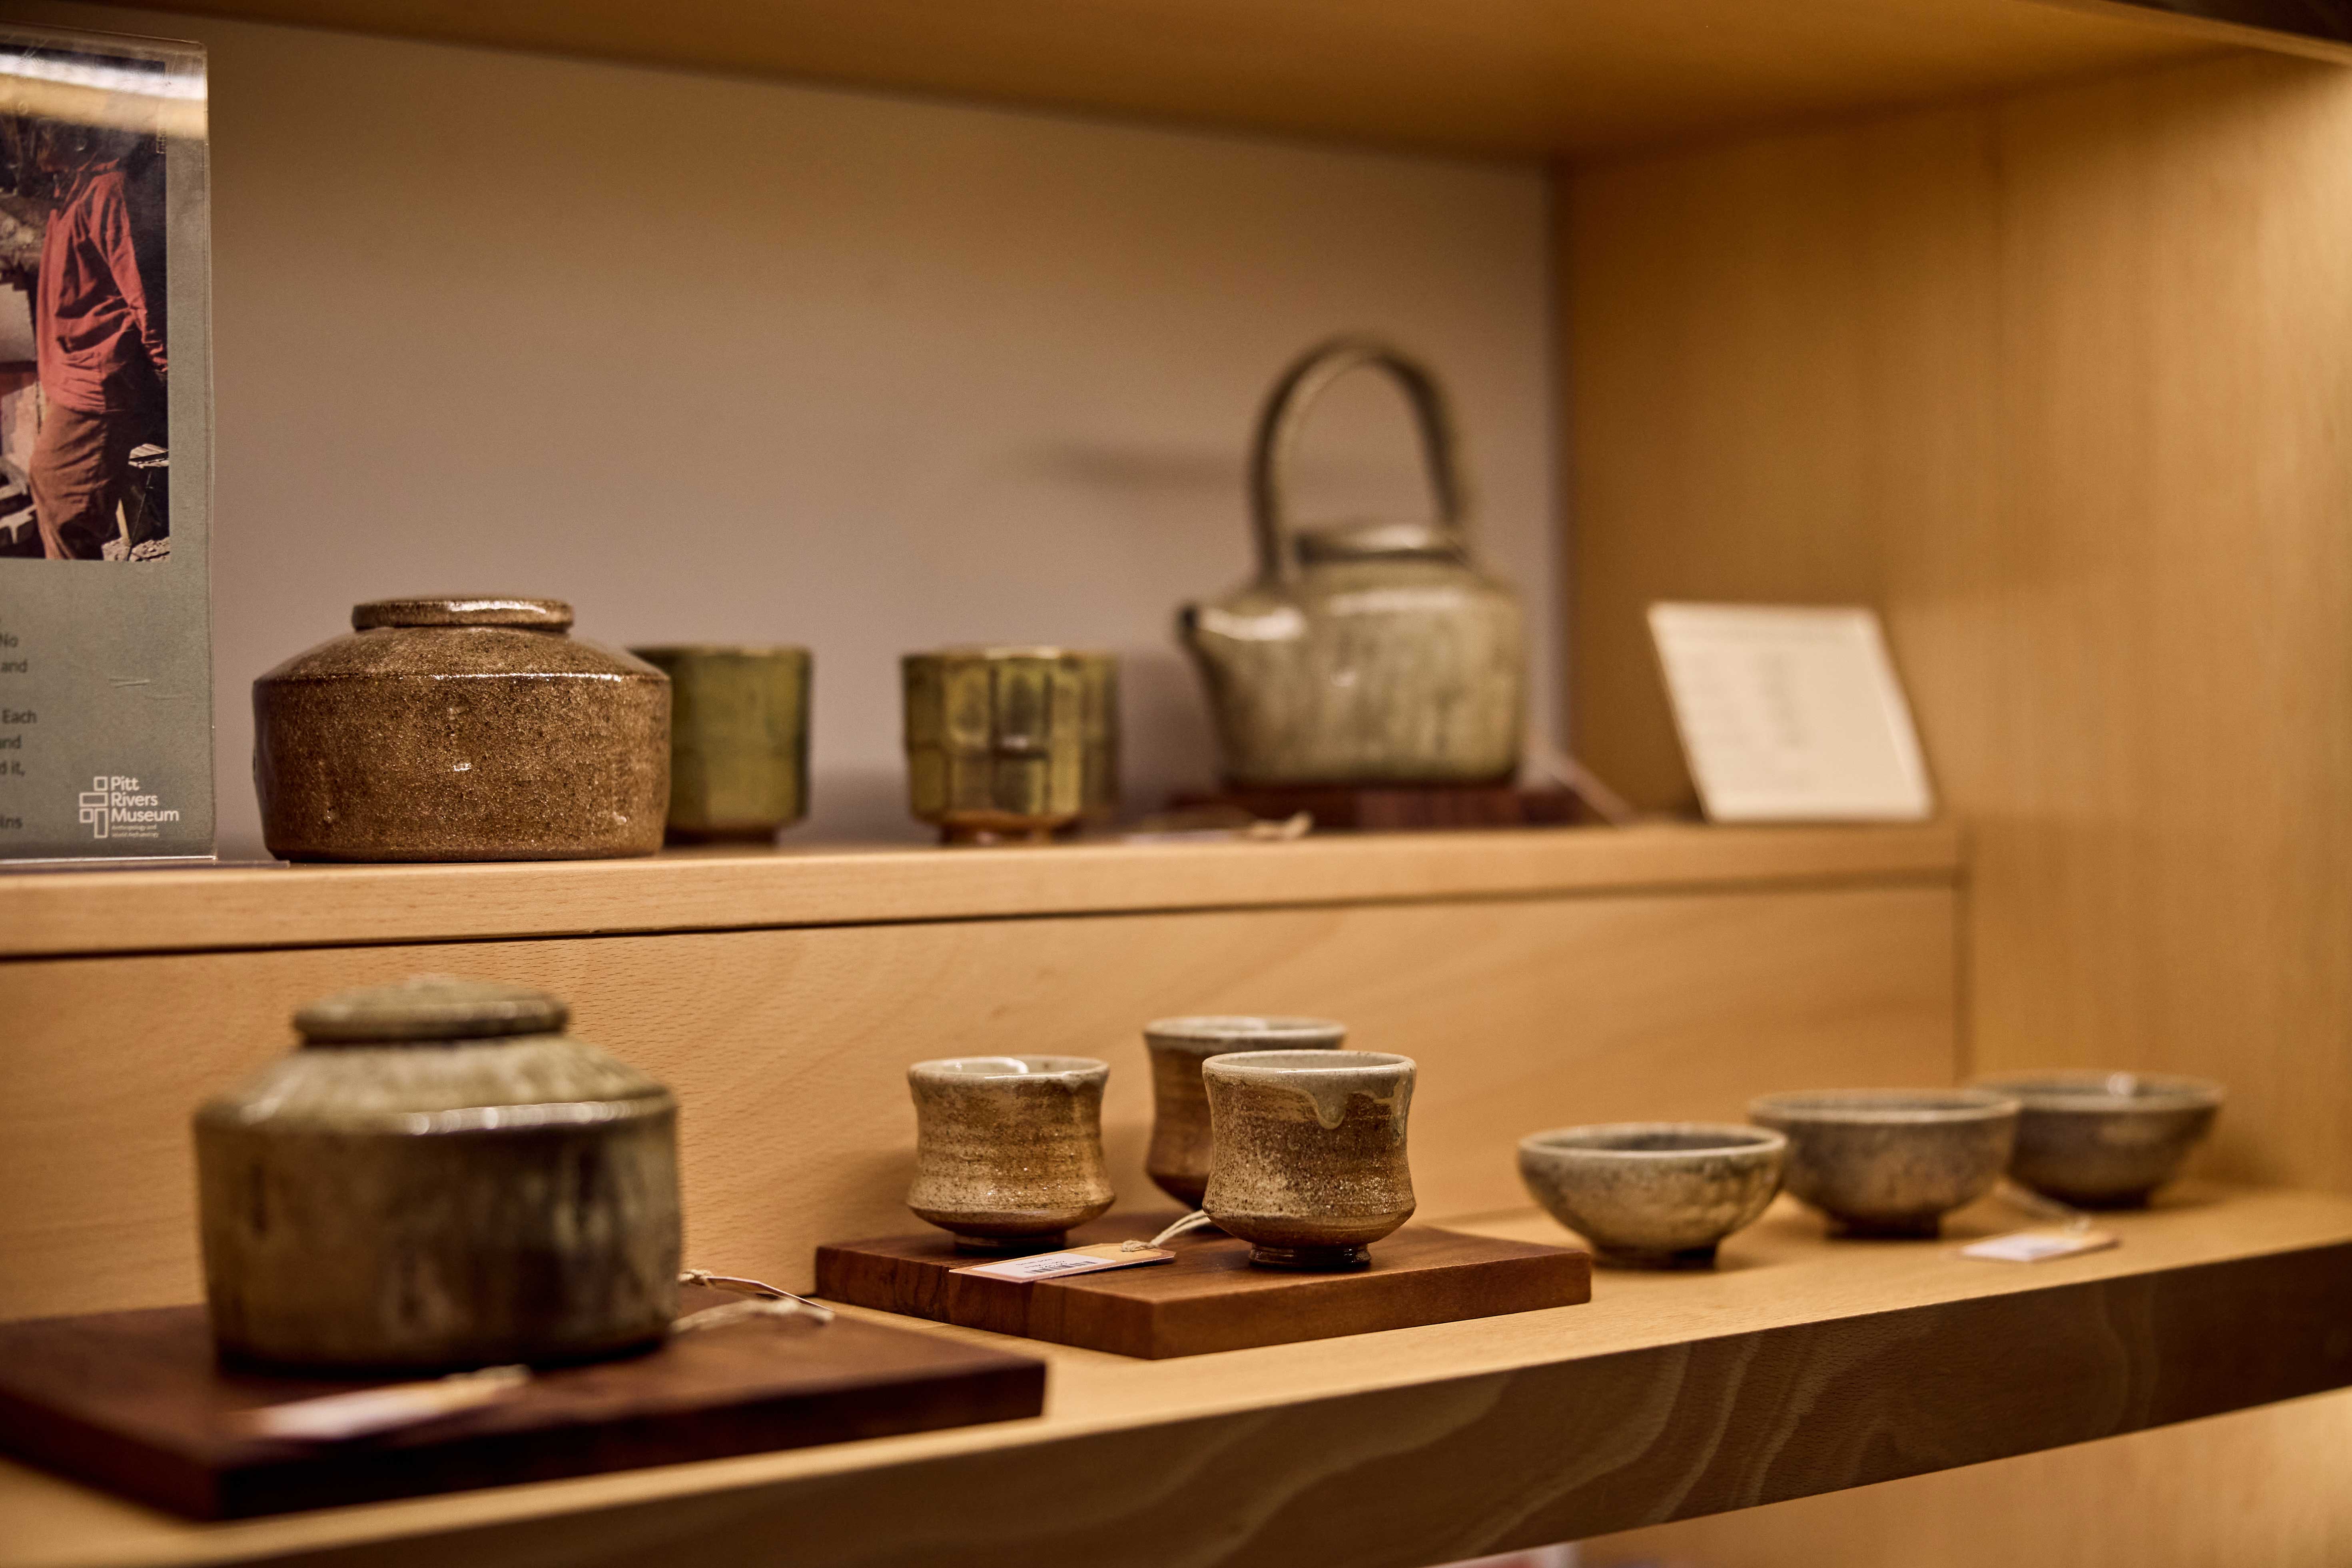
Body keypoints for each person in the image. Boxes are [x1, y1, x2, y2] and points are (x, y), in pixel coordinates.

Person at [28, 124, 165, 561]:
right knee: (54, 498)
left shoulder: (109, 191)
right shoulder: (73, 189)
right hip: (74, 379)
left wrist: (170, 375)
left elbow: (146, 298)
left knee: (67, 516)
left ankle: (82, 621)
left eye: (40, 129)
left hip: (96, 387)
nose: (32, 141)